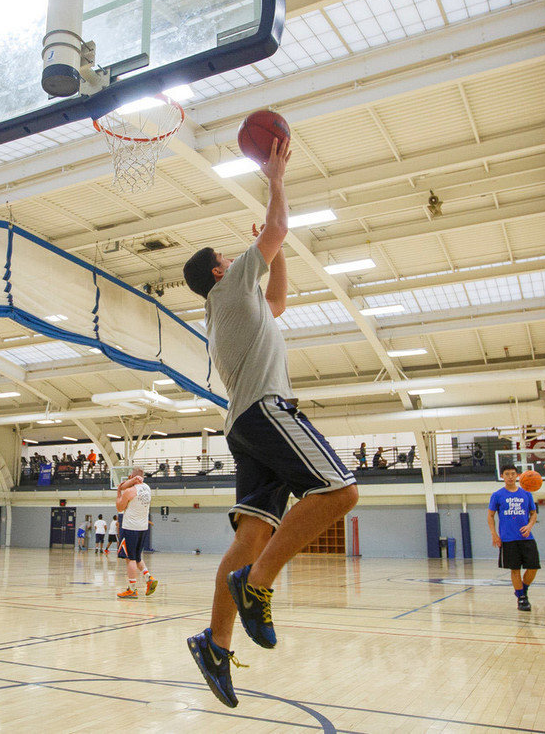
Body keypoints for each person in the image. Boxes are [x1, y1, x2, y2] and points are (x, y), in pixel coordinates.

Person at [180, 138, 358, 709]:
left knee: (252, 535)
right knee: (340, 491)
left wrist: (273, 250)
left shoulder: (239, 305)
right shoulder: (230, 287)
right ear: (218, 270)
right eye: (230, 259)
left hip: (243, 423)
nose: (238, 261)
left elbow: (279, 299)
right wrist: (276, 179)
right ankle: (257, 585)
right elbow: (277, 231)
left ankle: (215, 641)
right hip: (265, 411)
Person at [488, 466, 539, 611]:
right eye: (507, 474)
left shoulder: (527, 493)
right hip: (508, 538)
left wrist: (529, 525)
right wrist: (494, 534)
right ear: (502, 476)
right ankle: (522, 599)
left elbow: (533, 513)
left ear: (517, 475)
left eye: (512, 474)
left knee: (533, 567)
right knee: (515, 569)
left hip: (526, 537)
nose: (510, 476)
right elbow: (490, 515)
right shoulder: (497, 495)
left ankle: (522, 590)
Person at [114, 469, 158, 598]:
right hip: (143, 528)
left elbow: (119, 507)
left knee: (130, 559)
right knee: (138, 558)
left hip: (130, 528)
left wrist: (118, 493)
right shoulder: (147, 488)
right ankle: (148, 578)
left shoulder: (129, 492)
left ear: (132, 477)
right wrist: (133, 480)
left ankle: (132, 589)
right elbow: (129, 484)